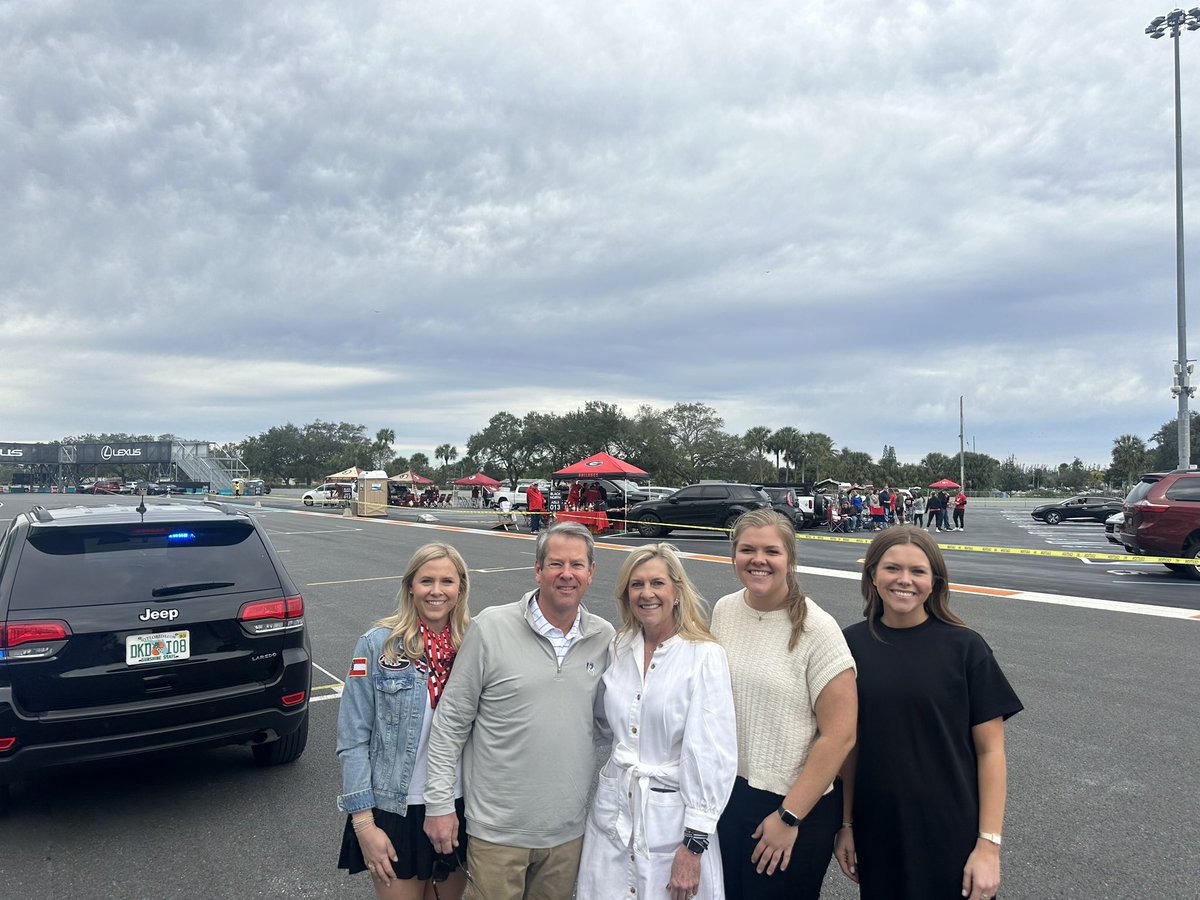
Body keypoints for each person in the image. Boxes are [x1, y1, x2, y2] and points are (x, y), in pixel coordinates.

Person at [423, 521, 616, 900]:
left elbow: (601, 725)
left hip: (566, 832)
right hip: (498, 833)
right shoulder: (491, 627)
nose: (566, 574)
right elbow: (450, 725)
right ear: (538, 569)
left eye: (577, 565)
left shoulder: (603, 637)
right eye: (556, 564)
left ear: (591, 573)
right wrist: (440, 805)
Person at [835, 527, 1022, 900]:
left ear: (934, 582)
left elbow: (991, 752)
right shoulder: (848, 647)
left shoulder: (966, 648)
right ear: (872, 574)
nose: (905, 580)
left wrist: (989, 845)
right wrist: (846, 823)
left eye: (918, 571)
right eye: (892, 568)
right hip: (879, 829)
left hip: (951, 830)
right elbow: (848, 746)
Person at [577, 544, 737, 900]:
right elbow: (602, 723)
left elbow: (713, 754)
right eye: (636, 585)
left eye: (657, 583)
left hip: (674, 826)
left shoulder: (703, 656)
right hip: (614, 816)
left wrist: (694, 845)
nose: (646, 594)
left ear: (677, 592)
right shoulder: (619, 647)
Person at [711, 509, 857, 900]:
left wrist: (789, 815)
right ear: (734, 556)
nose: (758, 559)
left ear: (790, 559)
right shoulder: (724, 611)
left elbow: (839, 736)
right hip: (729, 797)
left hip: (793, 805)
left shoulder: (817, 629)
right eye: (747, 549)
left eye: (771, 551)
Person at [336, 543, 473, 900]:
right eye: (426, 580)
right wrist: (364, 825)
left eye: (447, 581)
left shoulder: (475, 645)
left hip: (458, 805)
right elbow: (353, 739)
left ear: (461, 588)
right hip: (396, 808)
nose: (437, 591)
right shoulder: (377, 645)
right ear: (410, 585)